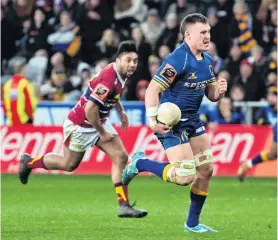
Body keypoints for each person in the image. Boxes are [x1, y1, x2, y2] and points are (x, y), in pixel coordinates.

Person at [122, 13, 227, 233]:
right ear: (188, 35)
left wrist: (219, 91)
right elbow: (153, 89)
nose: (208, 36)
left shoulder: (207, 60)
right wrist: (152, 121)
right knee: (185, 177)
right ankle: (139, 164)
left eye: (208, 31)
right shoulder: (178, 59)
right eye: (203, 32)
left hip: (193, 120)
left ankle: (192, 224)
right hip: (171, 122)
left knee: (206, 170)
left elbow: (210, 94)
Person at [18, 41, 147, 218]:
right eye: (128, 60)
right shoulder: (109, 79)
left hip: (97, 120)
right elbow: (89, 109)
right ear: (118, 60)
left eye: (135, 60)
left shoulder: (119, 72)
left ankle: (123, 205)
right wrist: (102, 132)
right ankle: (29, 163)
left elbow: (112, 95)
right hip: (80, 124)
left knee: (121, 156)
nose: (132, 64)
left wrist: (120, 110)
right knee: (68, 164)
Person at [2, 57, 37, 126]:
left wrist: (6, 116)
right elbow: (29, 103)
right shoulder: (25, 84)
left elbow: (4, 103)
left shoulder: (7, 84)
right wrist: (31, 117)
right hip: (25, 121)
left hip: (11, 122)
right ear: (23, 70)